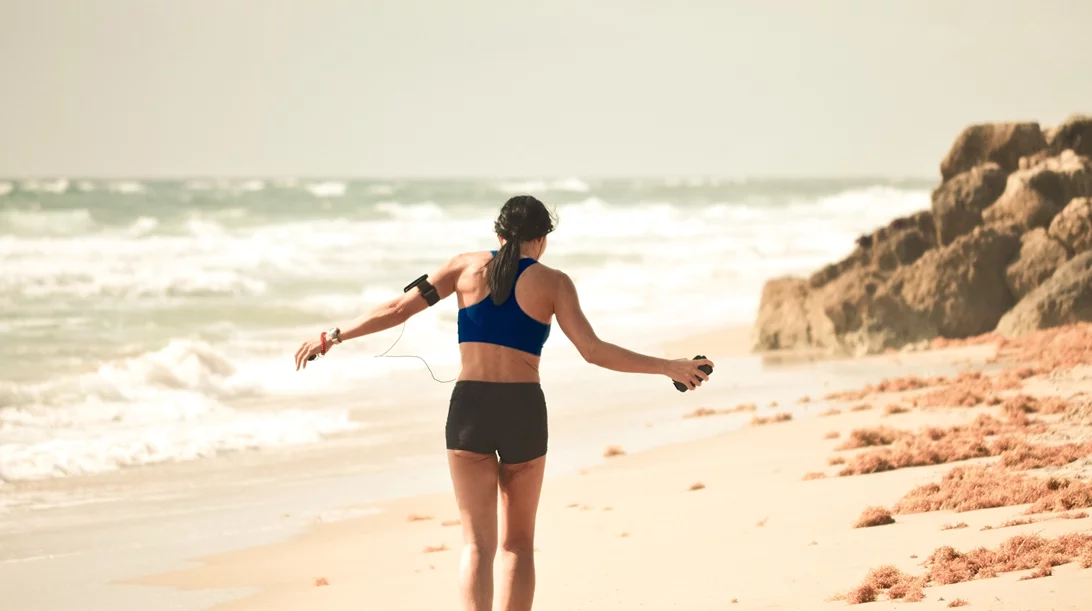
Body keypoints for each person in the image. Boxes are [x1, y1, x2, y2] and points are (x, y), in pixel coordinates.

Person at [293, 194, 714, 611]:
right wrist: (669, 367)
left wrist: (332, 336)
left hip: (469, 409)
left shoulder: (462, 267)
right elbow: (593, 350)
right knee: (517, 545)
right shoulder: (554, 282)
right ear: (543, 239)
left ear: (497, 233)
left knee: (476, 545)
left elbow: (398, 309)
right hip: (523, 410)